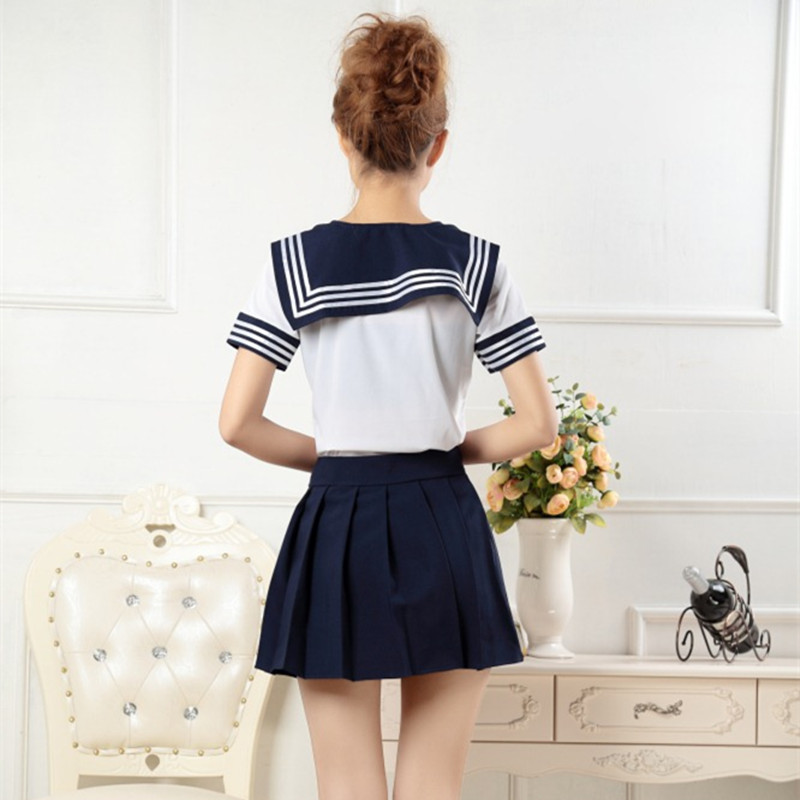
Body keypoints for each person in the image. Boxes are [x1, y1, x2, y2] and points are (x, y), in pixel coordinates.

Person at [219, 12, 559, 800]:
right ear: (438, 145)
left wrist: (340, 453)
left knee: (347, 785)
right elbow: (539, 424)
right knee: (433, 784)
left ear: (344, 137)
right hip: (442, 519)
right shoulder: (476, 264)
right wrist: (440, 451)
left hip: (337, 520)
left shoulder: (294, 264)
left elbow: (236, 424)